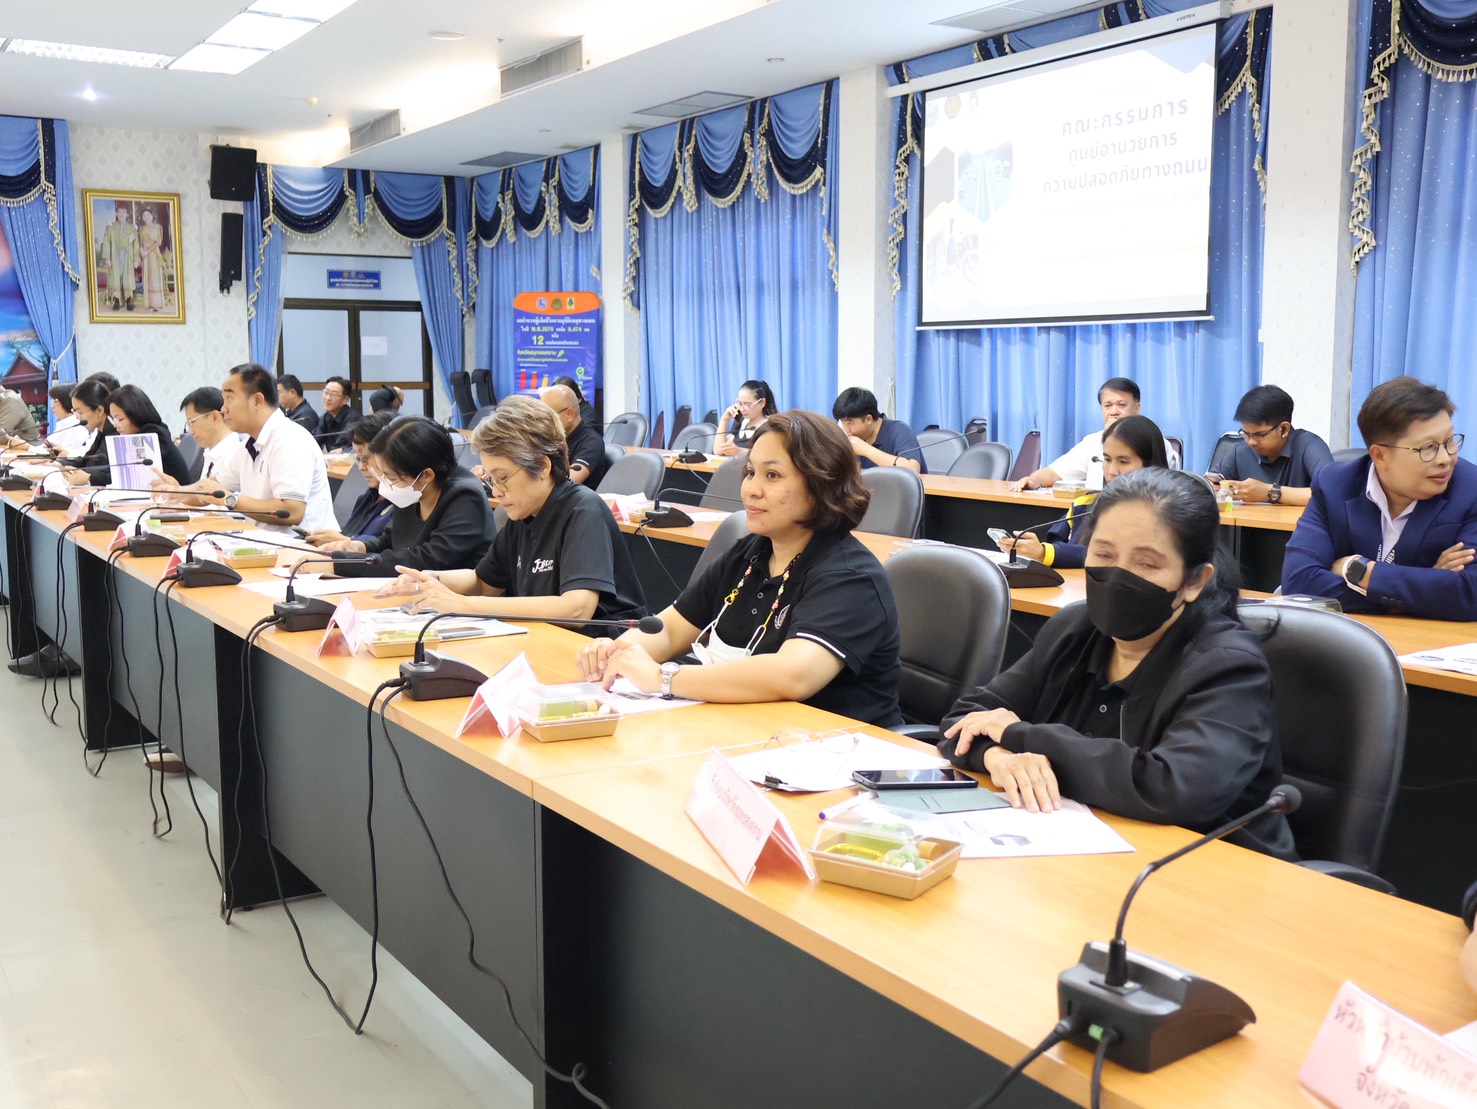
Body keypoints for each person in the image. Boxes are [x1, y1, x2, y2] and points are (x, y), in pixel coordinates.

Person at [940, 468, 1296, 859]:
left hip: (1213, 868)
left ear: (1194, 581)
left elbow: (1172, 789)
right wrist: (997, 757)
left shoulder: (1230, 667)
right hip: (1081, 852)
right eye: (1105, 555)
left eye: (1146, 564)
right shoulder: (1075, 627)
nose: (1118, 576)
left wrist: (1020, 736)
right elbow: (966, 718)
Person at [575, 410, 904, 727]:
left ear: (821, 485)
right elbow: (671, 629)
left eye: (772, 475)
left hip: (839, 748)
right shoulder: (749, 553)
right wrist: (619, 653)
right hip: (751, 730)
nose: (751, 489)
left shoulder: (850, 576)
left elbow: (792, 675)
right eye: (750, 472)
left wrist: (664, 677)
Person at [377, 395, 647, 627]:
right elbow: (483, 582)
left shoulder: (582, 508)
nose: (496, 491)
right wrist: (430, 579)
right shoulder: (523, 513)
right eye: (491, 480)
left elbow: (577, 609)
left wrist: (462, 605)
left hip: (602, 648)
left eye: (502, 478)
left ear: (542, 466)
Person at [1282, 376, 1477, 619]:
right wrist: (1423, 589)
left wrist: (1358, 570)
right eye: (1428, 448)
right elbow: (1298, 582)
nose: (1445, 459)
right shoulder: (1334, 486)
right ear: (1380, 455)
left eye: (1449, 442)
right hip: (1351, 635)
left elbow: (1470, 593)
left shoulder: (1470, 490)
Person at [163, 363, 337, 533]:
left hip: (305, 546)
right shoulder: (249, 445)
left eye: (229, 398)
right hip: (267, 543)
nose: (223, 408)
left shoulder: (289, 439)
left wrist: (230, 499)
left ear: (257, 401)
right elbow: (212, 487)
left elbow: (291, 511)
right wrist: (176, 492)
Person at [317, 416, 496, 576]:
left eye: (391, 478)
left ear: (426, 475)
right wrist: (358, 547)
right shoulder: (414, 491)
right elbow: (391, 540)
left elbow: (428, 561)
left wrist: (341, 564)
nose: (387, 484)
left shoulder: (465, 497)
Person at [996, 415, 1169, 569]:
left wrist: (1046, 553)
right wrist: (1035, 550)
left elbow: (1109, 556)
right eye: (1107, 459)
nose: (1112, 471)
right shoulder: (1085, 504)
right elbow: (1056, 541)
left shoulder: (1161, 514)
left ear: (1150, 464)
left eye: (1123, 461)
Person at [1010, 377, 1181, 492]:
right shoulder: (1093, 441)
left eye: (1121, 405)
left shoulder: (1154, 441)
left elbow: (1159, 490)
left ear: (1137, 409)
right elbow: (1054, 473)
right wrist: (1033, 480)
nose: (1114, 411)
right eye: (1108, 405)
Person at [1214, 384, 1334, 507]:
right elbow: (1210, 484)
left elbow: (1331, 493)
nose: (1251, 442)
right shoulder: (1241, 451)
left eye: (1259, 434)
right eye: (1246, 433)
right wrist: (1215, 487)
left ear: (1284, 429)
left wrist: (1270, 492)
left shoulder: (1310, 446)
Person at [64, 384, 190, 486]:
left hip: (180, 502)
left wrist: (89, 478)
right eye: (113, 419)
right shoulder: (133, 435)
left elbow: (131, 476)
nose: (115, 425)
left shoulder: (154, 435)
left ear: (136, 415)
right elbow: (115, 469)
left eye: (120, 419)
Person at [304, 413, 394, 547]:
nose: (361, 467)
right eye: (358, 459)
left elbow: (387, 546)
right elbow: (349, 534)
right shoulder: (366, 498)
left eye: (366, 459)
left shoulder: (404, 503)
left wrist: (343, 541)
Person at [832, 386, 926, 474]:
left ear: (868, 419)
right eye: (842, 423)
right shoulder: (856, 437)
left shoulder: (900, 431)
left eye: (849, 423)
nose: (846, 429)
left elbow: (913, 469)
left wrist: (865, 449)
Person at [541, 382, 609, 487]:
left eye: (549, 416)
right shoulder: (552, 439)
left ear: (569, 414)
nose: (544, 422)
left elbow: (568, 482)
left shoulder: (591, 442)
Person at [178, 386, 243, 483]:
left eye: (192, 422)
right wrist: (178, 489)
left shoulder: (236, 456)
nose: (191, 431)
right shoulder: (209, 452)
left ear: (214, 417)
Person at [55, 380, 116, 481]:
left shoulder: (113, 434)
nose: (78, 417)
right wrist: (57, 464)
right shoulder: (101, 432)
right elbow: (86, 461)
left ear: (99, 410)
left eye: (80, 412)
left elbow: (100, 469)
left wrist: (87, 478)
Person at [717, 380, 777, 456]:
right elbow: (718, 451)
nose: (742, 409)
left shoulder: (770, 426)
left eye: (747, 404)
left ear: (762, 403)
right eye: (740, 403)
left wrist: (741, 451)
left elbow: (768, 455)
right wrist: (724, 419)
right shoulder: (742, 421)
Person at [99, 202, 138, 311]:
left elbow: (136, 245)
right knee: (115, 278)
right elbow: (106, 242)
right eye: (119, 212)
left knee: (128, 278)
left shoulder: (132, 228)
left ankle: (129, 300)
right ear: (116, 213)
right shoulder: (111, 228)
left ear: (127, 214)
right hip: (115, 256)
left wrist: (136, 259)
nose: (121, 214)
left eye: (124, 212)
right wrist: (107, 258)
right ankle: (116, 301)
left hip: (128, 257)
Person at [317, 376, 361, 452]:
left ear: (345, 399)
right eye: (326, 392)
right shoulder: (325, 417)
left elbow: (340, 447)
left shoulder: (353, 419)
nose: (327, 398)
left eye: (333, 394)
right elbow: (315, 440)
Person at [137, 206, 166, 312]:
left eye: (148, 215)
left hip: (154, 254)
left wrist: (147, 251)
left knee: (155, 277)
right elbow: (140, 242)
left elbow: (158, 242)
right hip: (145, 256)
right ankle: (149, 303)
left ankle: (157, 304)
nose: (146, 217)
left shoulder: (158, 227)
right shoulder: (141, 228)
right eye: (144, 215)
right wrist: (141, 251)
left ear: (152, 216)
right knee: (147, 277)